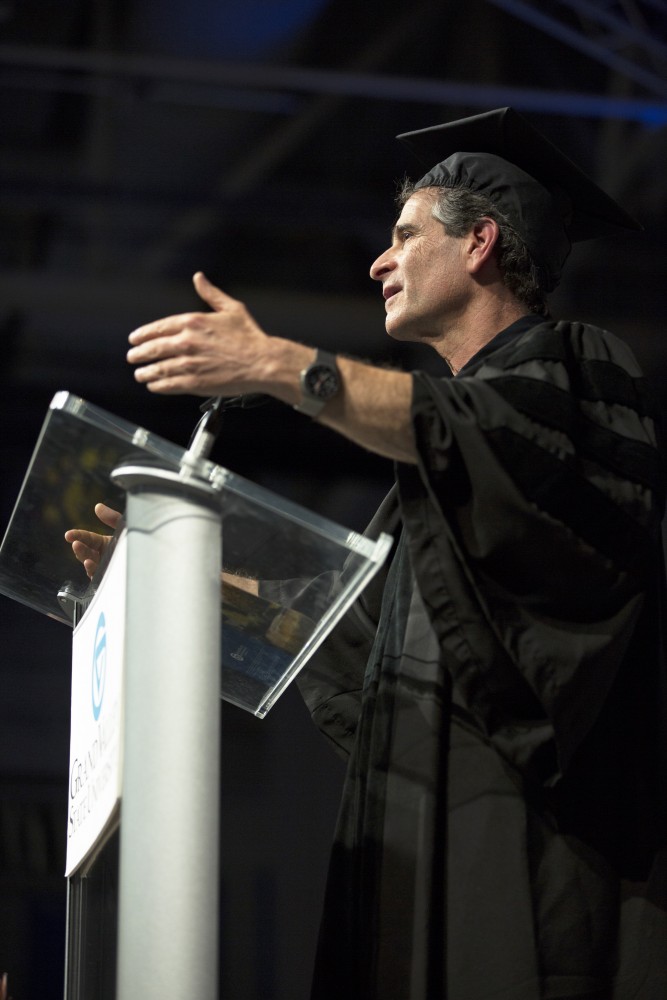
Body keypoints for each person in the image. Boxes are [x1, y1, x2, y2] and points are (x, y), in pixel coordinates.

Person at [67, 108, 667, 999]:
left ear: (481, 244)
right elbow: (358, 636)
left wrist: (282, 365)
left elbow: (506, 457)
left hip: (537, 856)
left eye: (403, 235)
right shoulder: (429, 482)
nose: (379, 260)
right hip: (423, 841)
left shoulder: (574, 371)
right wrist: (177, 573)